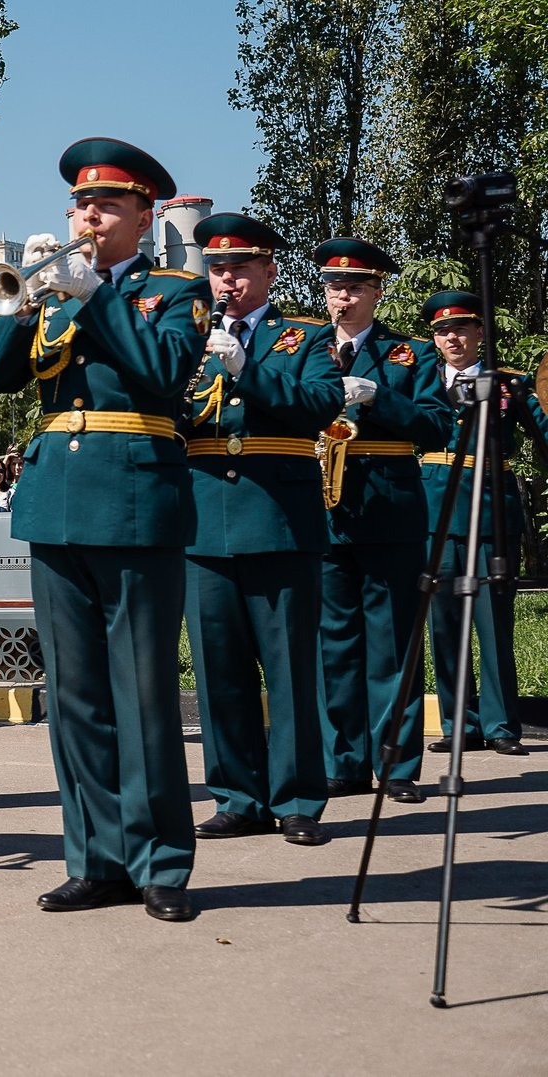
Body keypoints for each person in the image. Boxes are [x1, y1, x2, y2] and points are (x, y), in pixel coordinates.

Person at [0, 137, 208, 923]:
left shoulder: (173, 290)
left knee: (142, 693)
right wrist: (27, 295)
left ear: (143, 214)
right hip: (58, 504)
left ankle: (161, 860)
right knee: (75, 698)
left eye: (104, 204)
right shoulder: (58, 296)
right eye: (78, 204)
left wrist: (97, 294)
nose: (86, 216)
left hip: (135, 503)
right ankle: (95, 856)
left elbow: (165, 371)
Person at [180, 214, 341, 847]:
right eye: (217, 270)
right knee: (220, 672)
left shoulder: (302, 337)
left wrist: (247, 366)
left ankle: (298, 797)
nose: (226, 281)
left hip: (278, 518)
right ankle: (236, 796)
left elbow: (319, 404)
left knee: (290, 668)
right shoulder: (185, 336)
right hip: (202, 523)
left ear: (269, 271)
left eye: (240, 268)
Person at [311, 239, 451, 804]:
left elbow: (437, 427)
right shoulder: (305, 347)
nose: (341, 296)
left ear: (377, 292)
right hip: (322, 506)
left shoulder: (410, 355)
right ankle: (342, 763)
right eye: (333, 286)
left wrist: (378, 403)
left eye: (354, 287)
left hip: (387, 505)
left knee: (393, 643)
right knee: (334, 643)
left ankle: (396, 765)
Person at [417, 291, 539, 759]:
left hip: (491, 512)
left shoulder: (509, 384)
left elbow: (541, 433)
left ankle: (502, 724)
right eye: (444, 331)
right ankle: (459, 723)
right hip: (437, 509)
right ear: (435, 338)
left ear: (480, 333)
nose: (453, 337)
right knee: (444, 626)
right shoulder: (420, 381)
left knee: (493, 625)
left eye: (463, 328)